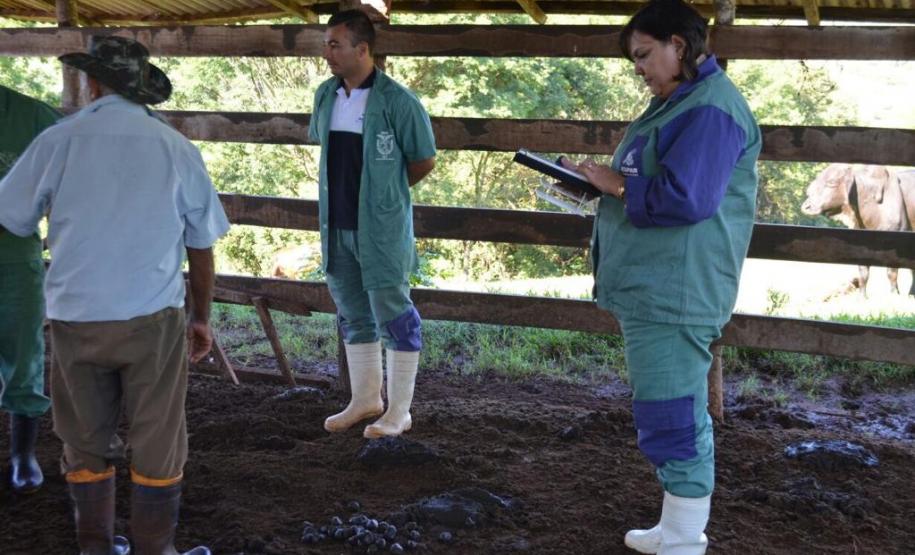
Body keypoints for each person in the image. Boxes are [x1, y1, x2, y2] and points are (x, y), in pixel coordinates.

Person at [0, 36, 229, 555]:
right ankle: (156, 548)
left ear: (91, 81)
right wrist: (201, 319)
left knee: (83, 438)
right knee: (159, 436)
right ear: (140, 87)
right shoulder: (174, 146)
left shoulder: (60, 139)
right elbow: (201, 244)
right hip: (152, 316)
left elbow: (12, 214)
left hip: (75, 316)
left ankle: (95, 547)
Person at [560, 1, 761, 553]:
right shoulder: (684, 101)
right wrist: (599, 183)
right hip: (661, 284)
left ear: (680, 44)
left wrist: (614, 185)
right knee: (670, 406)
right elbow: (655, 178)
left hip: (675, 287)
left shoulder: (709, 108)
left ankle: (684, 537)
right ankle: (678, 529)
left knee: (670, 412)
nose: (640, 69)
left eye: (645, 55)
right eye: (635, 60)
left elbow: (687, 197)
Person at [308, 9, 436, 439]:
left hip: (379, 229)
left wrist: (384, 196)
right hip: (336, 224)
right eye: (327, 44)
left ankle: (399, 411)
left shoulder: (399, 101)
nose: (327, 53)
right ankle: (365, 400)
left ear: (362, 50)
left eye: (335, 45)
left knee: (394, 313)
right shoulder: (326, 95)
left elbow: (423, 161)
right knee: (352, 312)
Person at [0, 85, 60, 494]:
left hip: (14, 256)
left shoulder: (34, 117)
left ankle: (23, 453)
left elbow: (69, 182)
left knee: (24, 353)